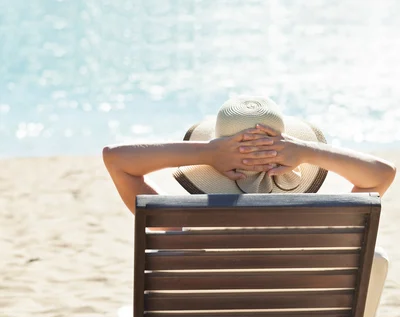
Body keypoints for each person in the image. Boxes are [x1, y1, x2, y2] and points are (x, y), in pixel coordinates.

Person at [103, 96, 395, 215]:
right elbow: (383, 174)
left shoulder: (184, 226)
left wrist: (207, 154)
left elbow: (116, 159)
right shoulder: (319, 227)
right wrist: (306, 151)